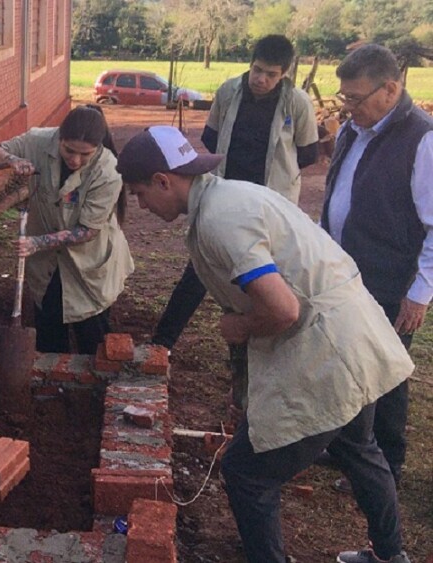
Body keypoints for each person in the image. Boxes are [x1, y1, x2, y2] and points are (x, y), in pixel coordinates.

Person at [117, 125, 413, 563]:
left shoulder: (221, 219)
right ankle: (392, 556)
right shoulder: (229, 196)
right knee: (358, 446)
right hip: (354, 332)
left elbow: (282, 311)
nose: (141, 205)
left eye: (140, 193)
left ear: (163, 180)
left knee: (247, 473)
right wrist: (246, 386)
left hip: (326, 348)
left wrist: (239, 327)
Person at [150, 35, 320, 415]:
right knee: (198, 274)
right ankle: (161, 345)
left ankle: (254, 387)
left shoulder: (297, 103)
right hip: (224, 199)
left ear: (285, 74)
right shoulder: (229, 92)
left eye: (271, 75)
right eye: (257, 70)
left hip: (267, 210)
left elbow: (306, 154)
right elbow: (210, 139)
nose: (261, 79)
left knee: (260, 292)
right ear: (251, 63)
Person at [319, 43, 433, 498]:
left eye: (356, 99)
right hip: (347, 275)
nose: (349, 107)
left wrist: (420, 291)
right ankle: (350, 448)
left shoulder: (421, 138)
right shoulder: (354, 129)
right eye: (344, 97)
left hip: (390, 279)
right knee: (349, 364)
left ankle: (386, 463)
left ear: (391, 89)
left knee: (386, 373)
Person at [0, 105, 133, 355]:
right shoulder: (38, 141)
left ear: (97, 147)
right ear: (59, 137)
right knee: (49, 330)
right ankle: (52, 385)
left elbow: (87, 231)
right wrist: (14, 160)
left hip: (89, 261)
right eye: (68, 150)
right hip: (48, 264)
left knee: (91, 336)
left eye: (84, 154)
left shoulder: (109, 171)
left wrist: (37, 243)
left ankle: (92, 387)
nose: (75, 160)